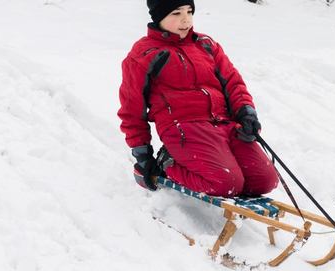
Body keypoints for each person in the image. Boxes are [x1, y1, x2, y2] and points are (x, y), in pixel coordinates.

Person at [117, 0, 278, 198]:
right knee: (226, 184)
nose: (185, 19)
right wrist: (143, 156)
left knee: (265, 181)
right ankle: (167, 162)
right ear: (158, 16)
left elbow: (233, 84)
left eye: (189, 11)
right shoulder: (145, 54)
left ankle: (218, 164)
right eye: (176, 13)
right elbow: (132, 110)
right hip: (184, 129)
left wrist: (246, 111)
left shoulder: (206, 45)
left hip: (224, 124)